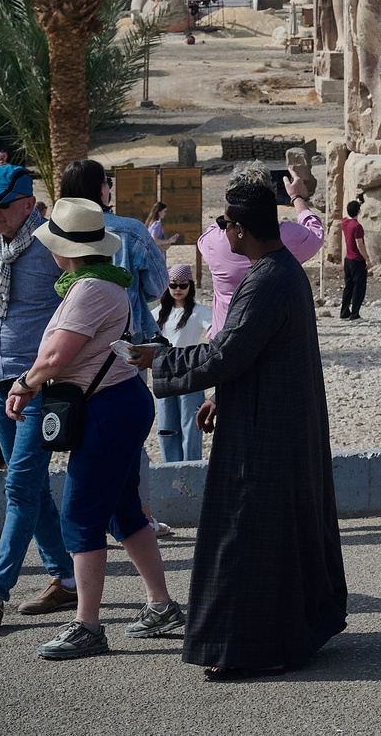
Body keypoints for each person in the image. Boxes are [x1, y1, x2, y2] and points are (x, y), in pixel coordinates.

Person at [142, 177, 348, 678]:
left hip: (268, 426)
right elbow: (251, 349)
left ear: (238, 229)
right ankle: (276, 637)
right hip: (271, 414)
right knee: (271, 533)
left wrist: (157, 360)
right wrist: (220, 395)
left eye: (225, 224)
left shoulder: (268, 279)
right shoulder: (277, 270)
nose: (223, 232)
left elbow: (227, 351)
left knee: (248, 534)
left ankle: (257, 647)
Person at [0, 198, 181, 658]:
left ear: (65, 249)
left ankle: (87, 625)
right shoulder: (101, 282)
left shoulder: (90, 289)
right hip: (118, 403)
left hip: (106, 409)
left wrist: (24, 383)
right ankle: (160, 605)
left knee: (80, 518)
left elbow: (57, 356)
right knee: (124, 511)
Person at [0, 162, 77, 628]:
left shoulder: (55, 244)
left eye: (2, 204)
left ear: (29, 205)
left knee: (20, 486)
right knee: (33, 486)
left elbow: (75, 307)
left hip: (39, 384)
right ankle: (66, 578)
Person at [199, 164, 323, 336]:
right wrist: (296, 196)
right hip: (270, 339)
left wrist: (233, 208)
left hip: (224, 337)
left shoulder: (212, 240)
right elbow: (316, 233)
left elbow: (210, 233)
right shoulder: (286, 237)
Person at [58, 158, 168, 343]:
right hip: (127, 338)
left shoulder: (54, 233)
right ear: (101, 190)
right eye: (107, 182)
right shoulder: (131, 231)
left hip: (69, 339)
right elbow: (157, 286)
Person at [153, 266, 207, 464]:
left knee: (191, 425)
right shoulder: (157, 313)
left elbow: (217, 332)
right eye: (173, 285)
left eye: (183, 285)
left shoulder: (200, 312)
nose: (178, 289)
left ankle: (191, 467)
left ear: (190, 286)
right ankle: (170, 468)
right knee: (167, 426)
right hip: (164, 372)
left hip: (190, 372)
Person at [338, 197, 370, 320]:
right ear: (359, 211)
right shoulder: (357, 227)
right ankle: (355, 314)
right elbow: (359, 244)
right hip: (357, 260)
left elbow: (348, 215)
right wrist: (367, 259)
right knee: (359, 288)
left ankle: (344, 312)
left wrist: (357, 203)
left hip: (348, 260)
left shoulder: (345, 222)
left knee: (349, 286)